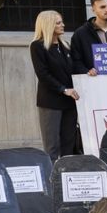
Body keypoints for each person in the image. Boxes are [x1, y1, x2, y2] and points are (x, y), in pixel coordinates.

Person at [30, 11, 79, 160]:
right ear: (48, 25)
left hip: (70, 102)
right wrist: (63, 89)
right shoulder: (37, 46)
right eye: (58, 23)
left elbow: (74, 69)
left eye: (61, 22)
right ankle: (51, 174)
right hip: (51, 102)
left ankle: (67, 172)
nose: (63, 25)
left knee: (68, 144)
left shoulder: (65, 46)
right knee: (52, 146)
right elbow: (43, 74)